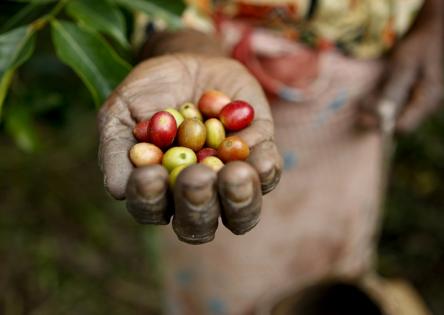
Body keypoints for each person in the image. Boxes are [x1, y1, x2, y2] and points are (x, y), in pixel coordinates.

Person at [97, 0, 443, 314]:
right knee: (223, 270)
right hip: (212, 49)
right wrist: (179, 40)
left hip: (363, 83)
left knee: (337, 274)